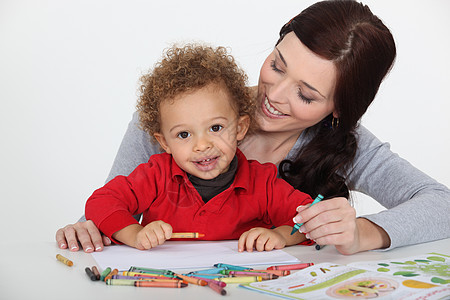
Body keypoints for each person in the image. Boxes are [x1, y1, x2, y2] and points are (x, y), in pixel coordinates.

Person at [57, 0, 450, 255]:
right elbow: (109, 207)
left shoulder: (346, 144)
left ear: (338, 111)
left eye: (306, 95)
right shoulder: (179, 110)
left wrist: (363, 233)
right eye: (277, 64)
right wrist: (88, 230)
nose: (274, 95)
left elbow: (442, 204)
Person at [84, 44, 314, 252]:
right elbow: (101, 202)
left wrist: (279, 236)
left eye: (216, 127)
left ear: (240, 128)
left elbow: (309, 219)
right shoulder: (155, 176)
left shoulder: (262, 183)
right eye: (184, 134)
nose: (202, 145)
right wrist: (134, 234)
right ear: (164, 143)